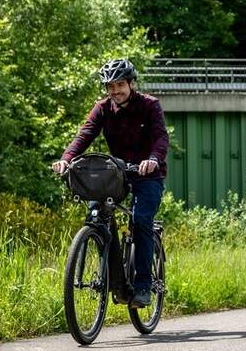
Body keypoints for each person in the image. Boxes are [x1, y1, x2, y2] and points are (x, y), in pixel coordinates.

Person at [52, 59, 169, 308]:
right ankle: (116, 280)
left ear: (130, 83)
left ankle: (143, 286)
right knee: (97, 213)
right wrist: (66, 160)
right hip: (117, 174)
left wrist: (153, 159)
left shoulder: (149, 105)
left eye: (119, 85)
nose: (115, 91)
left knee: (140, 221)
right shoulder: (103, 108)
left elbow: (160, 137)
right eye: (110, 87)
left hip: (148, 174)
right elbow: (84, 135)